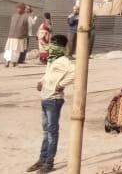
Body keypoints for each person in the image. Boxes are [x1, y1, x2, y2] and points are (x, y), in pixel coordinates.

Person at [28, 34, 75, 173]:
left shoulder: (64, 61)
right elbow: (47, 74)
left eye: (54, 44)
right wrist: (41, 82)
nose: (51, 46)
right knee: (46, 132)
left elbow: (75, 73)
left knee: (52, 133)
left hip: (54, 100)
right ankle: (42, 159)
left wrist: (61, 84)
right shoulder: (52, 60)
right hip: (45, 98)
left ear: (60, 47)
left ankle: (49, 163)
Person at [4, 3, 30, 68]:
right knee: (15, 50)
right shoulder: (26, 16)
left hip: (13, 36)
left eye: (19, 8)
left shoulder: (14, 15)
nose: (18, 9)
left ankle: (8, 62)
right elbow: (32, 23)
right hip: (18, 36)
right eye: (18, 8)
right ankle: (12, 62)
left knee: (10, 49)